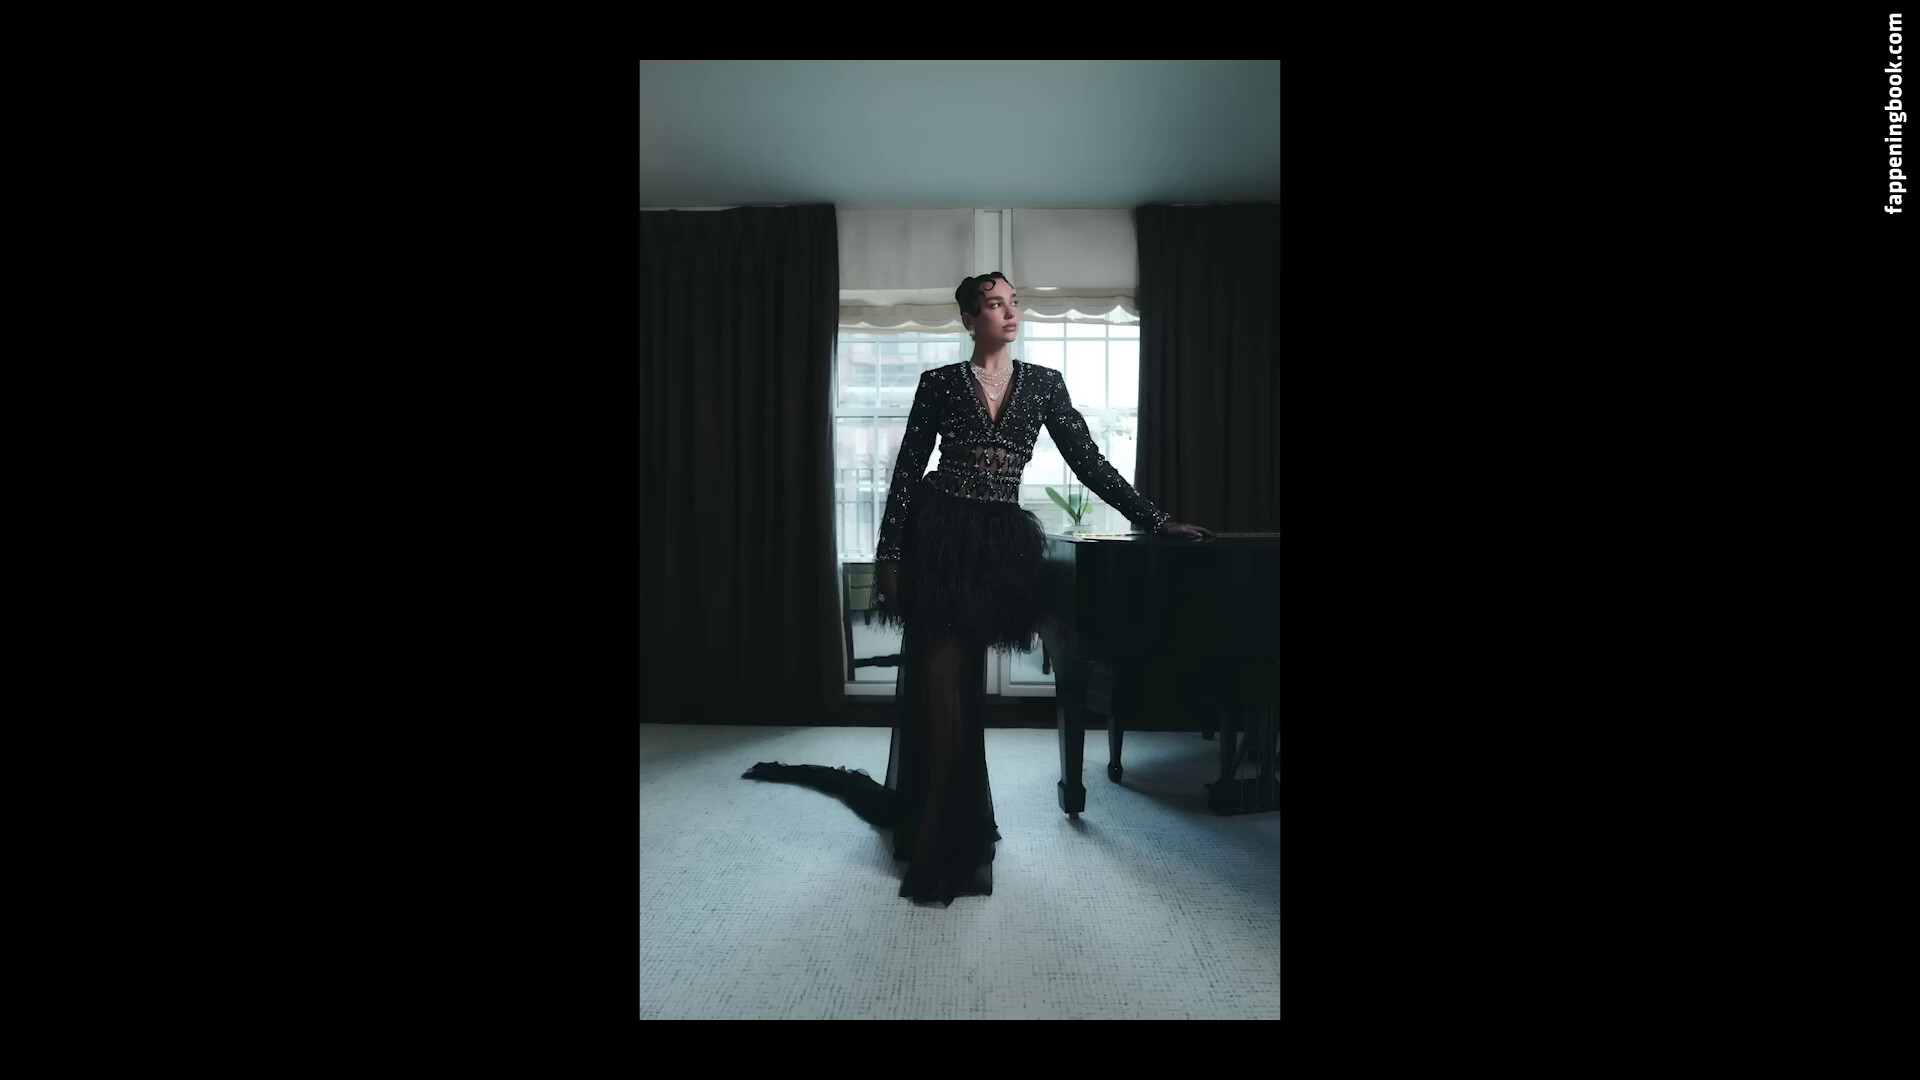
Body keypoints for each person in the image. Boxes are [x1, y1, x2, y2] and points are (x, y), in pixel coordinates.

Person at [744, 273, 1213, 906]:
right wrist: (891, 557)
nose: (1010, 313)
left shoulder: (1044, 384)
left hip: (997, 548)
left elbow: (1090, 463)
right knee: (943, 683)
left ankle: (951, 821)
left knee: (964, 688)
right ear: (969, 319)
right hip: (939, 537)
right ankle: (938, 834)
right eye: (995, 304)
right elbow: (907, 473)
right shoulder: (938, 383)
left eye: (1014, 302)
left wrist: (1156, 521)